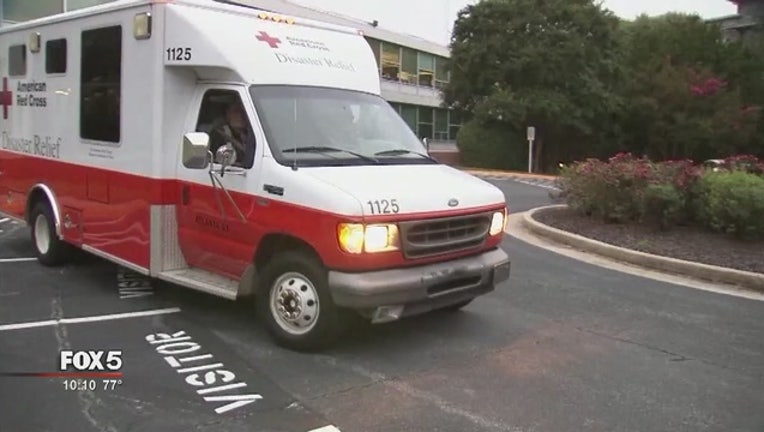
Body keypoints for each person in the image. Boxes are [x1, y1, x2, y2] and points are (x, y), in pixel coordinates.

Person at [209, 101, 255, 167]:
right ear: (228, 114)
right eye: (236, 111)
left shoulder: (253, 135)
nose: (241, 115)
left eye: (244, 111)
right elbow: (216, 164)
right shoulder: (218, 136)